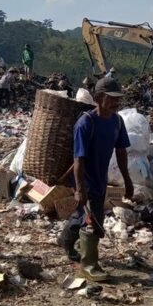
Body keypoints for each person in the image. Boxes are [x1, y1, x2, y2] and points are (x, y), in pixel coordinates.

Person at [57, 76, 133, 282]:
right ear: (99, 98)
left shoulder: (117, 121)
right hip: (84, 178)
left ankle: (65, 239)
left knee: (83, 213)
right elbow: (79, 159)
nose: (117, 103)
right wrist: (80, 189)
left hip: (100, 178)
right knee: (94, 222)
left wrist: (127, 180)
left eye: (119, 99)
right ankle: (88, 265)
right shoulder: (85, 123)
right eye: (113, 99)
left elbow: (121, 152)